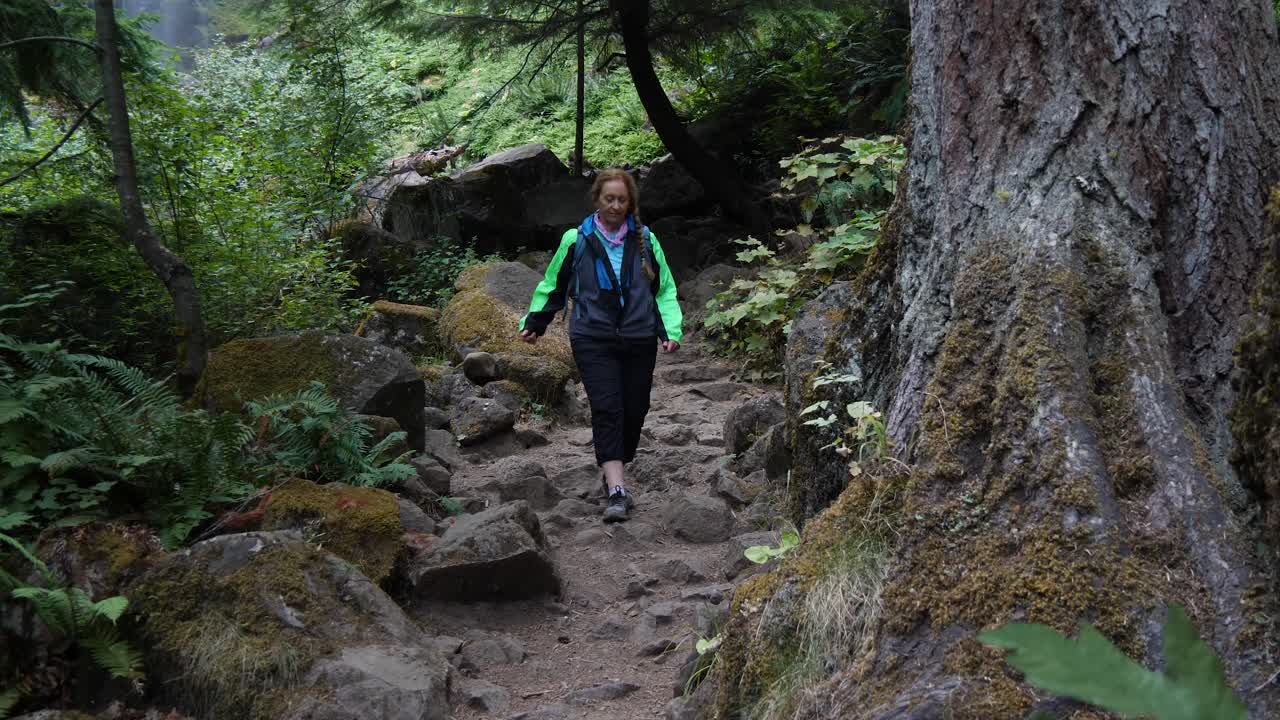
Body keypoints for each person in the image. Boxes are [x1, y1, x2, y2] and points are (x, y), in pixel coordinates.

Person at [518, 168, 683, 522]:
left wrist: (670, 331)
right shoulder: (576, 239)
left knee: (635, 409)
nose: (615, 205)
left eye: (622, 199)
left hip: (639, 336)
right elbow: (554, 286)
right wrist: (535, 323)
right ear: (597, 199)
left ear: (630, 203)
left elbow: (664, 290)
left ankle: (614, 467)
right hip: (591, 336)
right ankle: (617, 488)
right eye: (609, 198)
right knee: (608, 408)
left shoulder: (646, 241)